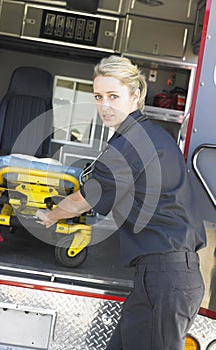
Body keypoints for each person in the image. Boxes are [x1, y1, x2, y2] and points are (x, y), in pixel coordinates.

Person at [36, 55, 206, 350]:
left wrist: (49, 215)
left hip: (165, 280)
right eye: (99, 96)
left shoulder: (131, 144)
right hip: (162, 278)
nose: (104, 105)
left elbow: (83, 201)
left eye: (113, 96)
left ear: (135, 96)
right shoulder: (150, 135)